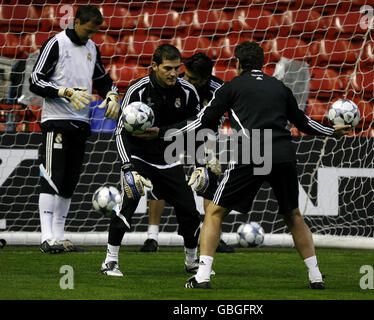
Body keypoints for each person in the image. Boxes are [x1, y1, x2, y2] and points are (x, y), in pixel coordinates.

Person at [149, 41, 351, 289]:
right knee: (294, 216)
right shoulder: (279, 87)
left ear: (236, 64)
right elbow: (303, 122)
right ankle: (316, 276)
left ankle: (201, 277)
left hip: (253, 150)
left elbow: (203, 120)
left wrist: (164, 132)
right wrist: (332, 131)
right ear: (262, 63)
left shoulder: (231, 87)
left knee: (214, 212)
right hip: (283, 152)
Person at [101, 44, 204, 277]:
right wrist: (127, 167)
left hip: (169, 158)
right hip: (139, 157)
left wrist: (200, 161)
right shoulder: (137, 91)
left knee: (189, 210)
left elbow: (198, 125)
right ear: (155, 66)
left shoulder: (187, 92)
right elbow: (120, 131)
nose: (173, 73)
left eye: (177, 68)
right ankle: (110, 260)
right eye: (167, 68)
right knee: (129, 200)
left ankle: (191, 261)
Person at [29, 5, 120, 254]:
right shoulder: (56, 43)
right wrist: (64, 92)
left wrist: (112, 95)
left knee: (69, 181)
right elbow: (35, 80)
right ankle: (45, 237)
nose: (90, 36)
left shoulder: (92, 48)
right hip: (56, 120)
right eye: (88, 30)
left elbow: (102, 79)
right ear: (76, 22)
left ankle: (59, 236)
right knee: (52, 176)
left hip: (81, 122)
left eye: (95, 32)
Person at [140, 52, 234, 254]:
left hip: (201, 136)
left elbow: (215, 123)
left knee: (209, 180)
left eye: (192, 78)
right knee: (159, 182)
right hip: (171, 133)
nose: (185, 79)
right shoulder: (177, 82)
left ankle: (214, 237)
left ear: (206, 78)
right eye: (186, 75)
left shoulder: (219, 90)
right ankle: (152, 237)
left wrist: (209, 152)